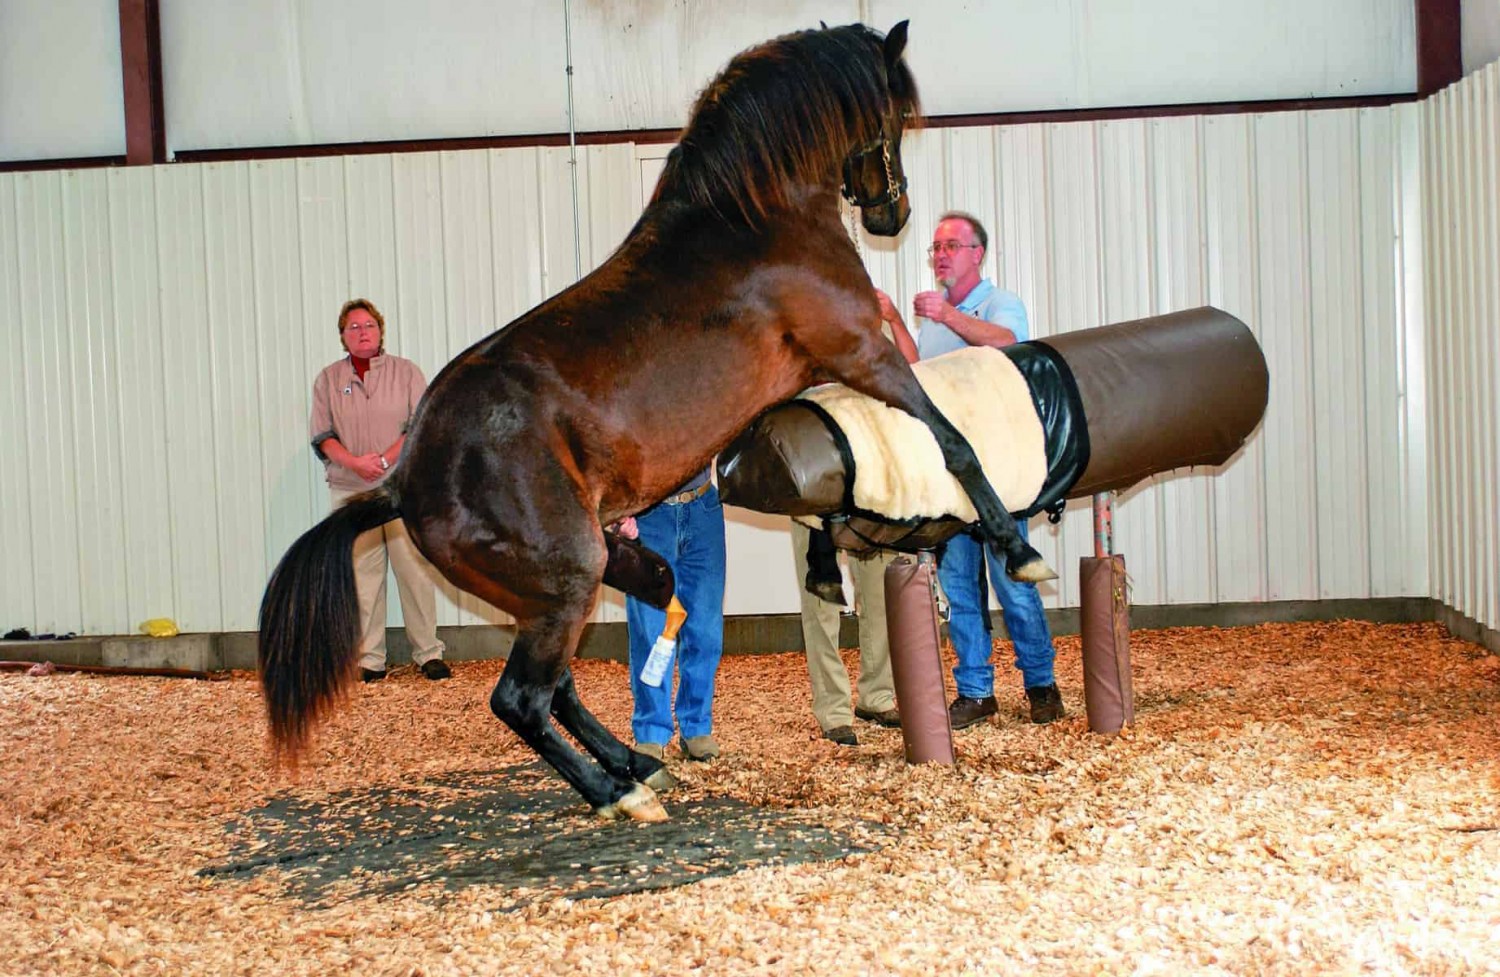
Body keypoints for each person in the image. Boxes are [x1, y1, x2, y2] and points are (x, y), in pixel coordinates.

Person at [875, 211, 1064, 728]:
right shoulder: (933, 320)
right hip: (953, 478)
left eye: (951, 245)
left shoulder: (1000, 304)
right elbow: (920, 373)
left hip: (999, 472)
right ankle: (976, 691)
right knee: (959, 587)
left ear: (977, 253)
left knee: (1013, 586)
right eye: (935, 247)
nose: (940, 254)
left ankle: (1041, 685)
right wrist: (894, 319)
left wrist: (949, 316)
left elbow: (1011, 345)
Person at [309, 298, 450, 683]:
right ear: (342, 336)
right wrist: (356, 463)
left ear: (380, 330)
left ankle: (428, 653)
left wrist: (386, 461)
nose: (362, 332)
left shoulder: (406, 373)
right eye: (353, 327)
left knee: (414, 571)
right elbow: (323, 436)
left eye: (368, 325)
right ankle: (369, 658)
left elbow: (419, 425)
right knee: (362, 576)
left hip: (402, 489)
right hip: (352, 490)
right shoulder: (328, 380)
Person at [617, 467, 727, 761]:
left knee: (705, 631)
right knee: (650, 632)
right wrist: (618, 510)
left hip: (703, 508)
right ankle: (651, 731)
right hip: (649, 514)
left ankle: (696, 728)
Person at [790, 522, 900, 747]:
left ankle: (876, 695)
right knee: (820, 601)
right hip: (814, 496)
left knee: (880, 594)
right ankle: (833, 711)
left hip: (869, 493)